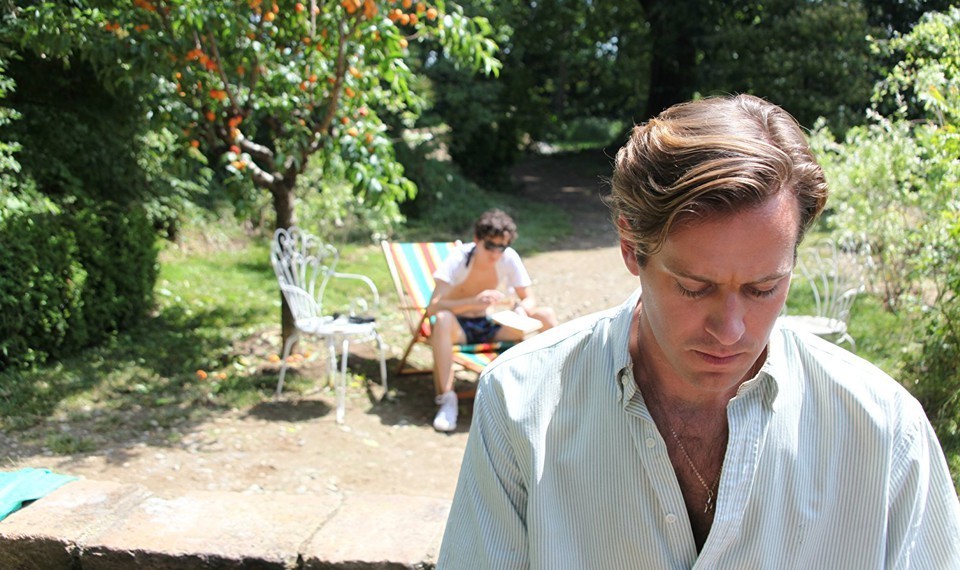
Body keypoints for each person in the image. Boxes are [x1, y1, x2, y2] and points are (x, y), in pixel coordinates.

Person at [437, 95, 960, 567]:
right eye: (693, 287)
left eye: (763, 289)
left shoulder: (884, 430)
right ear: (630, 246)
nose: (730, 330)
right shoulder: (520, 403)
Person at [427, 208, 557, 433]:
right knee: (442, 319)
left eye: (501, 247)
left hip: (491, 323)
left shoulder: (509, 258)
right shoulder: (459, 258)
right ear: (477, 240)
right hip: (459, 328)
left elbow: (529, 298)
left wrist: (520, 309)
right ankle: (447, 399)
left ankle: (551, 390)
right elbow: (433, 306)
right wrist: (472, 302)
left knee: (545, 315)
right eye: (490, 246)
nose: (495, 253)